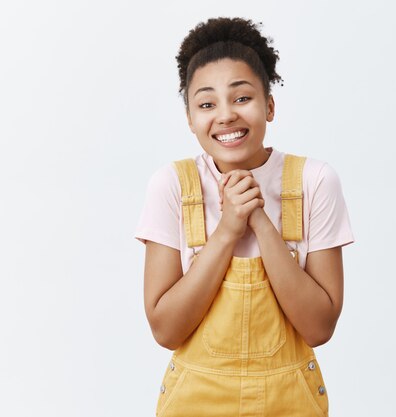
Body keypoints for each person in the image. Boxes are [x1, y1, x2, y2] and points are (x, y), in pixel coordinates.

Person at [134, 16, 355, 417]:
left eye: (241, 98)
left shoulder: (314, 181)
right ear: (190, 118)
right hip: (194, 404)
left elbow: (319, 327)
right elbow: (165, 330)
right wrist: (227, 229)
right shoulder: (171, 186)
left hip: (291, 404)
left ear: (269, 106)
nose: (225, 116)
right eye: (206, 104)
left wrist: (259, 220)